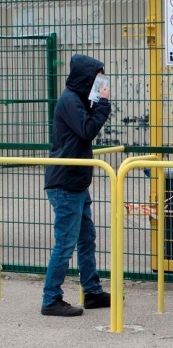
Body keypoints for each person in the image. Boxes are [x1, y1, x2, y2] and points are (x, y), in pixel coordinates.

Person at [42, 54, 112, 316]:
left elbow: (85, 126)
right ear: (86, 78)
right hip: (65, 183)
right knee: (66, 243)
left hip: (76, 182)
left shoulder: (77, 99)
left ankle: (91, 291)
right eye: (96, 79)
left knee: (86, 238)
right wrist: (103, 104)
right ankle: (51, 298)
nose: (99, 84)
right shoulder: (70, 101)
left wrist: (97, 102)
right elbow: (87, 129)